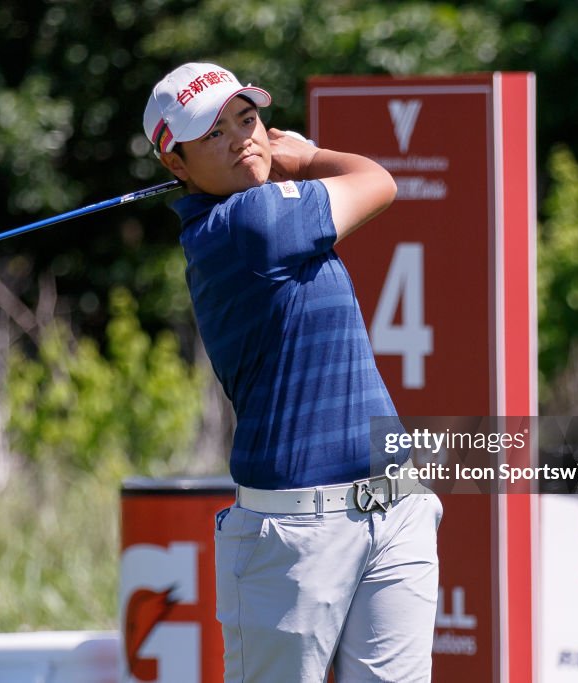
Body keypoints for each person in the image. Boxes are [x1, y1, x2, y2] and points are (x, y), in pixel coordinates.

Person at [143, 62, 443, 682]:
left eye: (246, 120)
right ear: (177, 166)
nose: (241, 139)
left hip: (396, 508)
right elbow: (378, 181)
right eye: (213, 134)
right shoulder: (249, 227)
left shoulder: (266, 214)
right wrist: (303, 156)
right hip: (294, 532)